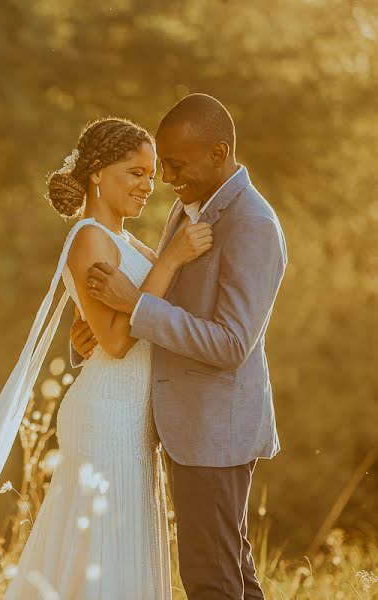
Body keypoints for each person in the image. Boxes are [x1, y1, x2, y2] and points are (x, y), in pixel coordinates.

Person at [0, 116, 213, 600]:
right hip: (107, 420)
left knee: (119, 558)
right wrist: (169, 260)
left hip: (134, 424)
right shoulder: (89, 238)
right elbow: (120, 343)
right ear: (98, 173)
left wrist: (161, 270)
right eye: (135, 173)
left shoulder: (123, 240)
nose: (148, 185)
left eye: (150, 174)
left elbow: (120, 325)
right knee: (100, 559)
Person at [71, 94, 287, 599]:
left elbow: (232, 342)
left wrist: (136, 308)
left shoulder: (252, 224)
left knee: (212, 581)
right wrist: (99, 335)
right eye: (160, 166)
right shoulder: (194, 205)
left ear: (218, 153)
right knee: (226, 576)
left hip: (217, 432)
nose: (166, 179)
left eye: (174, 165)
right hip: (188, 429)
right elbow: (166, 295)